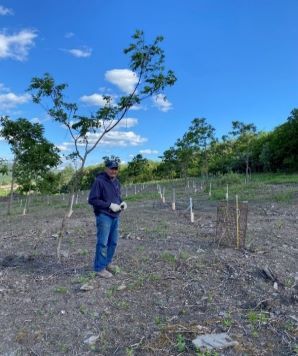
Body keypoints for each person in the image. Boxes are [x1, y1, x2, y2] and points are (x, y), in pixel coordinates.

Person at [88, 159, 127, 278]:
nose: (113, 171)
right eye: (111, 168)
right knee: (103, 243)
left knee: (113, 242)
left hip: (115, 216)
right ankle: (99, 268)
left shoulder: (116, 182)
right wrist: (109, 205)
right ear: (106, 169)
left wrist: (121, 202)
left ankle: (107, 263)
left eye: (115, 169)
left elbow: (117, 197)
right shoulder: (99, 181)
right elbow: (92, 200)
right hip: (104, 216)